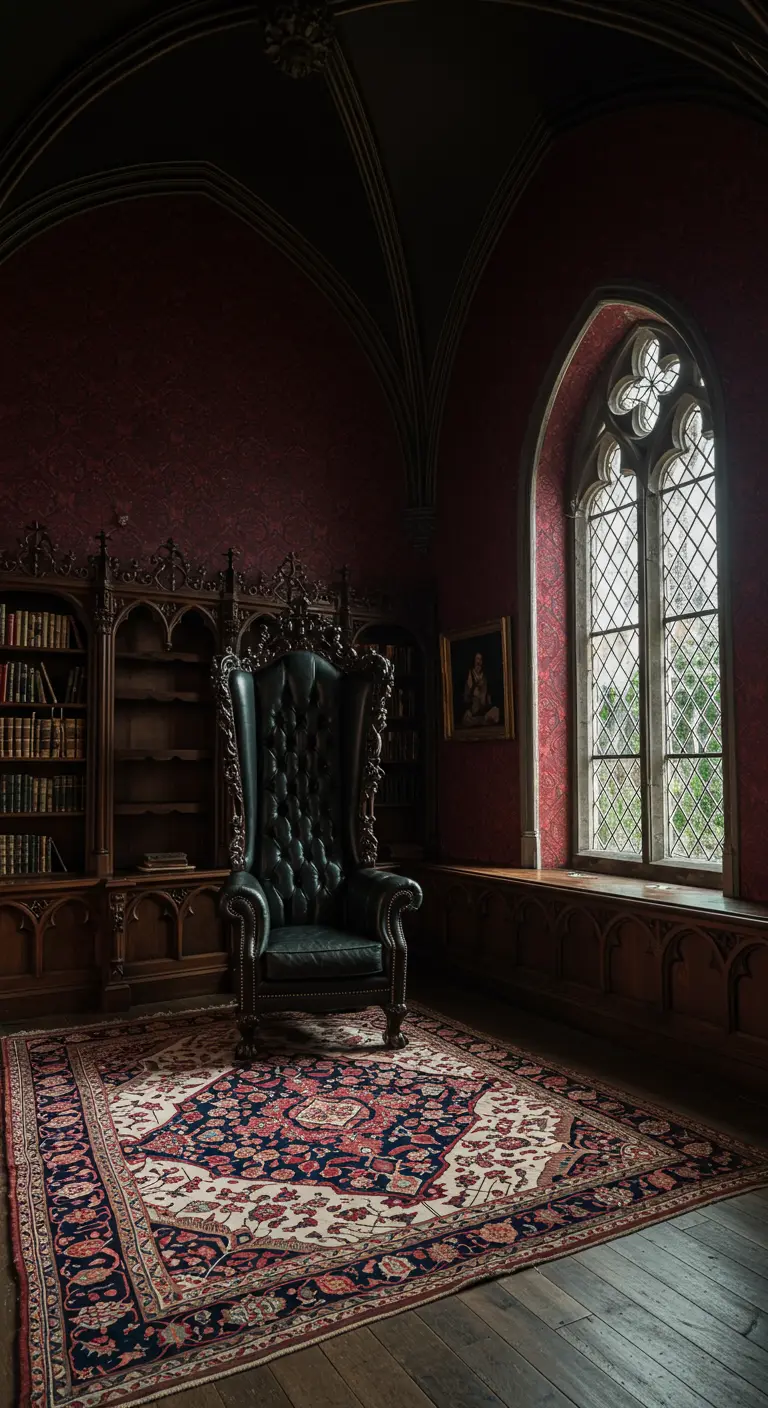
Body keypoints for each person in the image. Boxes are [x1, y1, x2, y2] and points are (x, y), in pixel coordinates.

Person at [461, 651, 500, 726]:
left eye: (480, 659)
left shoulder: (485, 677)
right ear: (474, 661)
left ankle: (482, 720)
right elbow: (466, 698)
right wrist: (472, 691)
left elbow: (488, 699)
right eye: (477, 659)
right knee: (467, 719)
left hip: (484, 711)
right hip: (473, 712)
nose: (479, 662)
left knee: (495, 712)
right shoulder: (470, 677)